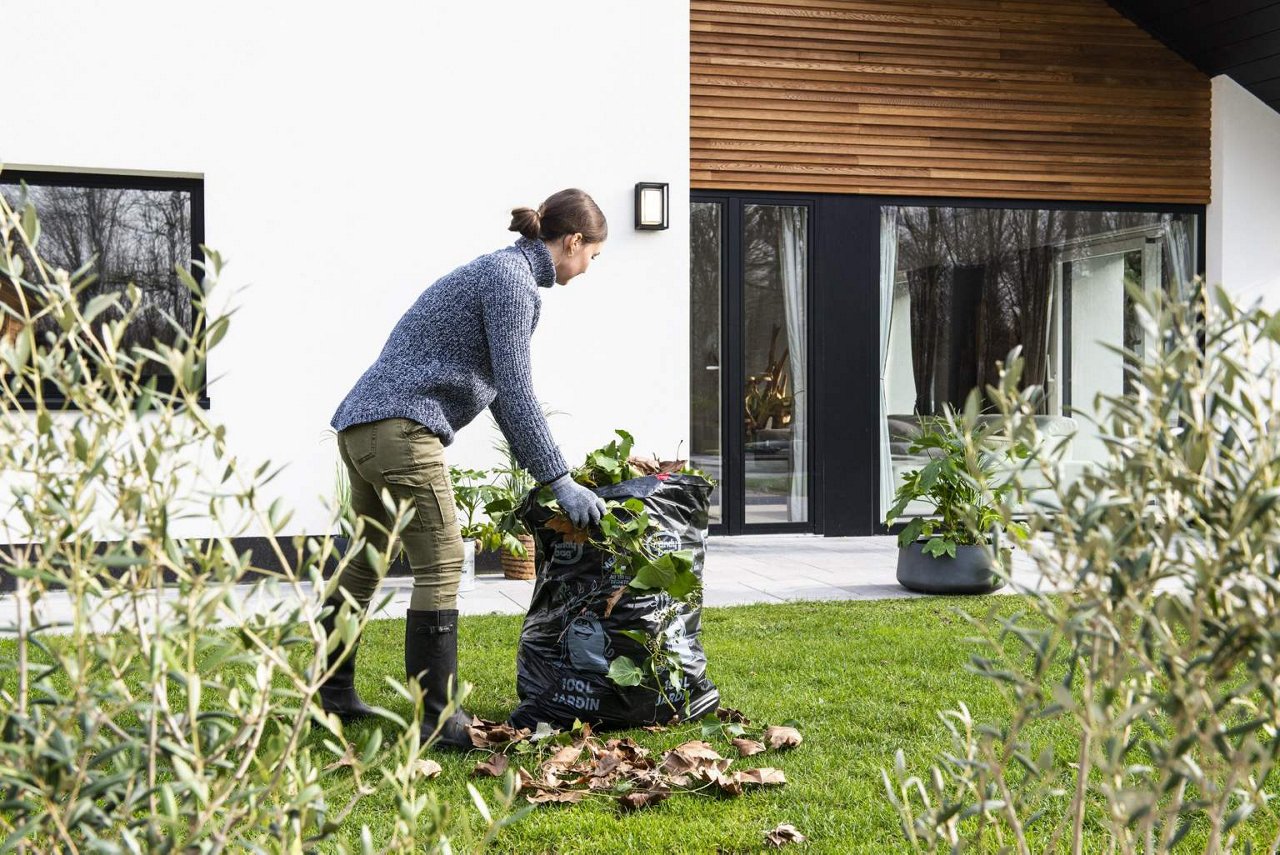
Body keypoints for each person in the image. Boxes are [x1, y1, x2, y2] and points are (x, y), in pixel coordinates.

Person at [323, 189, 609, 749]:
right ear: (574, 242)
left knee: (365, 560)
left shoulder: (499, 271)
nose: (587, 269)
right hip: (401, 427)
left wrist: (550, 473)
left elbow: (502, 393)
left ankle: (330, 695)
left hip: (361, 427)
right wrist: (559, 480)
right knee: (444, 559)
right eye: (592, 257)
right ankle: (436, 721)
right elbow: (517, 390)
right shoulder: (512, 282)